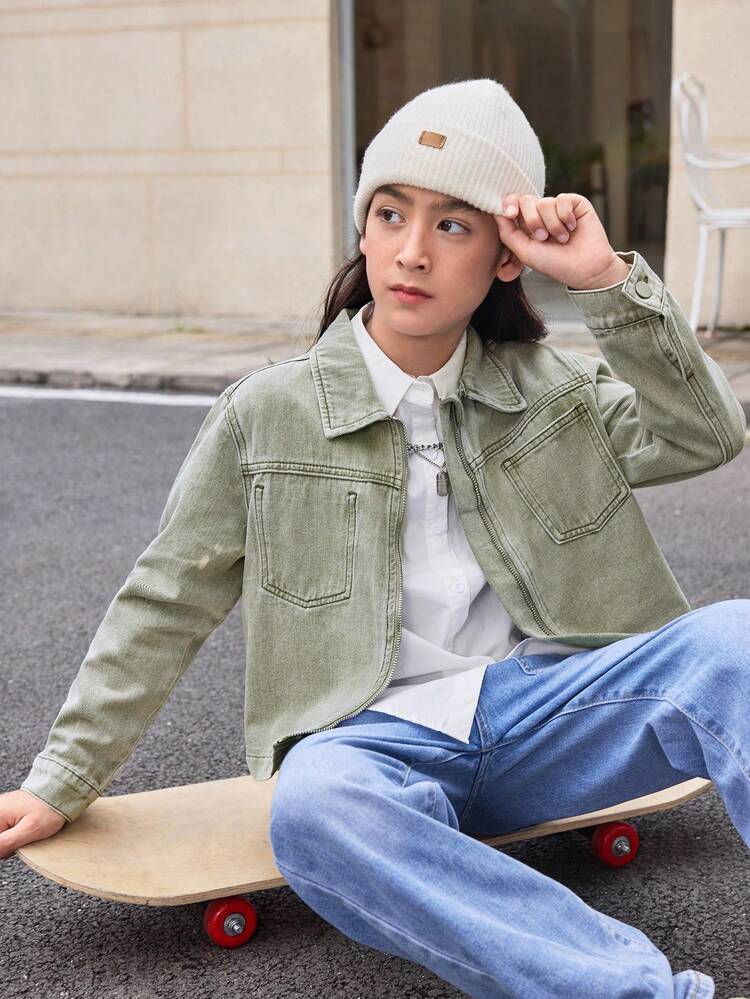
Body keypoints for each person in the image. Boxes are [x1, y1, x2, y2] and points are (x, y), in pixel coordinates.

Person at [1, 78, 748, 998]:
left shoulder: (552, 390)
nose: (411, 251)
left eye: (453, 225)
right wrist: (62, 778)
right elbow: (165, 601)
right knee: (315, 809)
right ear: (363, 228)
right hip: (373, 744)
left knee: (737, 643)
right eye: (391, 214)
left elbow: (704, 434)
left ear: (505, 257)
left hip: (548, 720)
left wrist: (600, 279)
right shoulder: (266, 415)